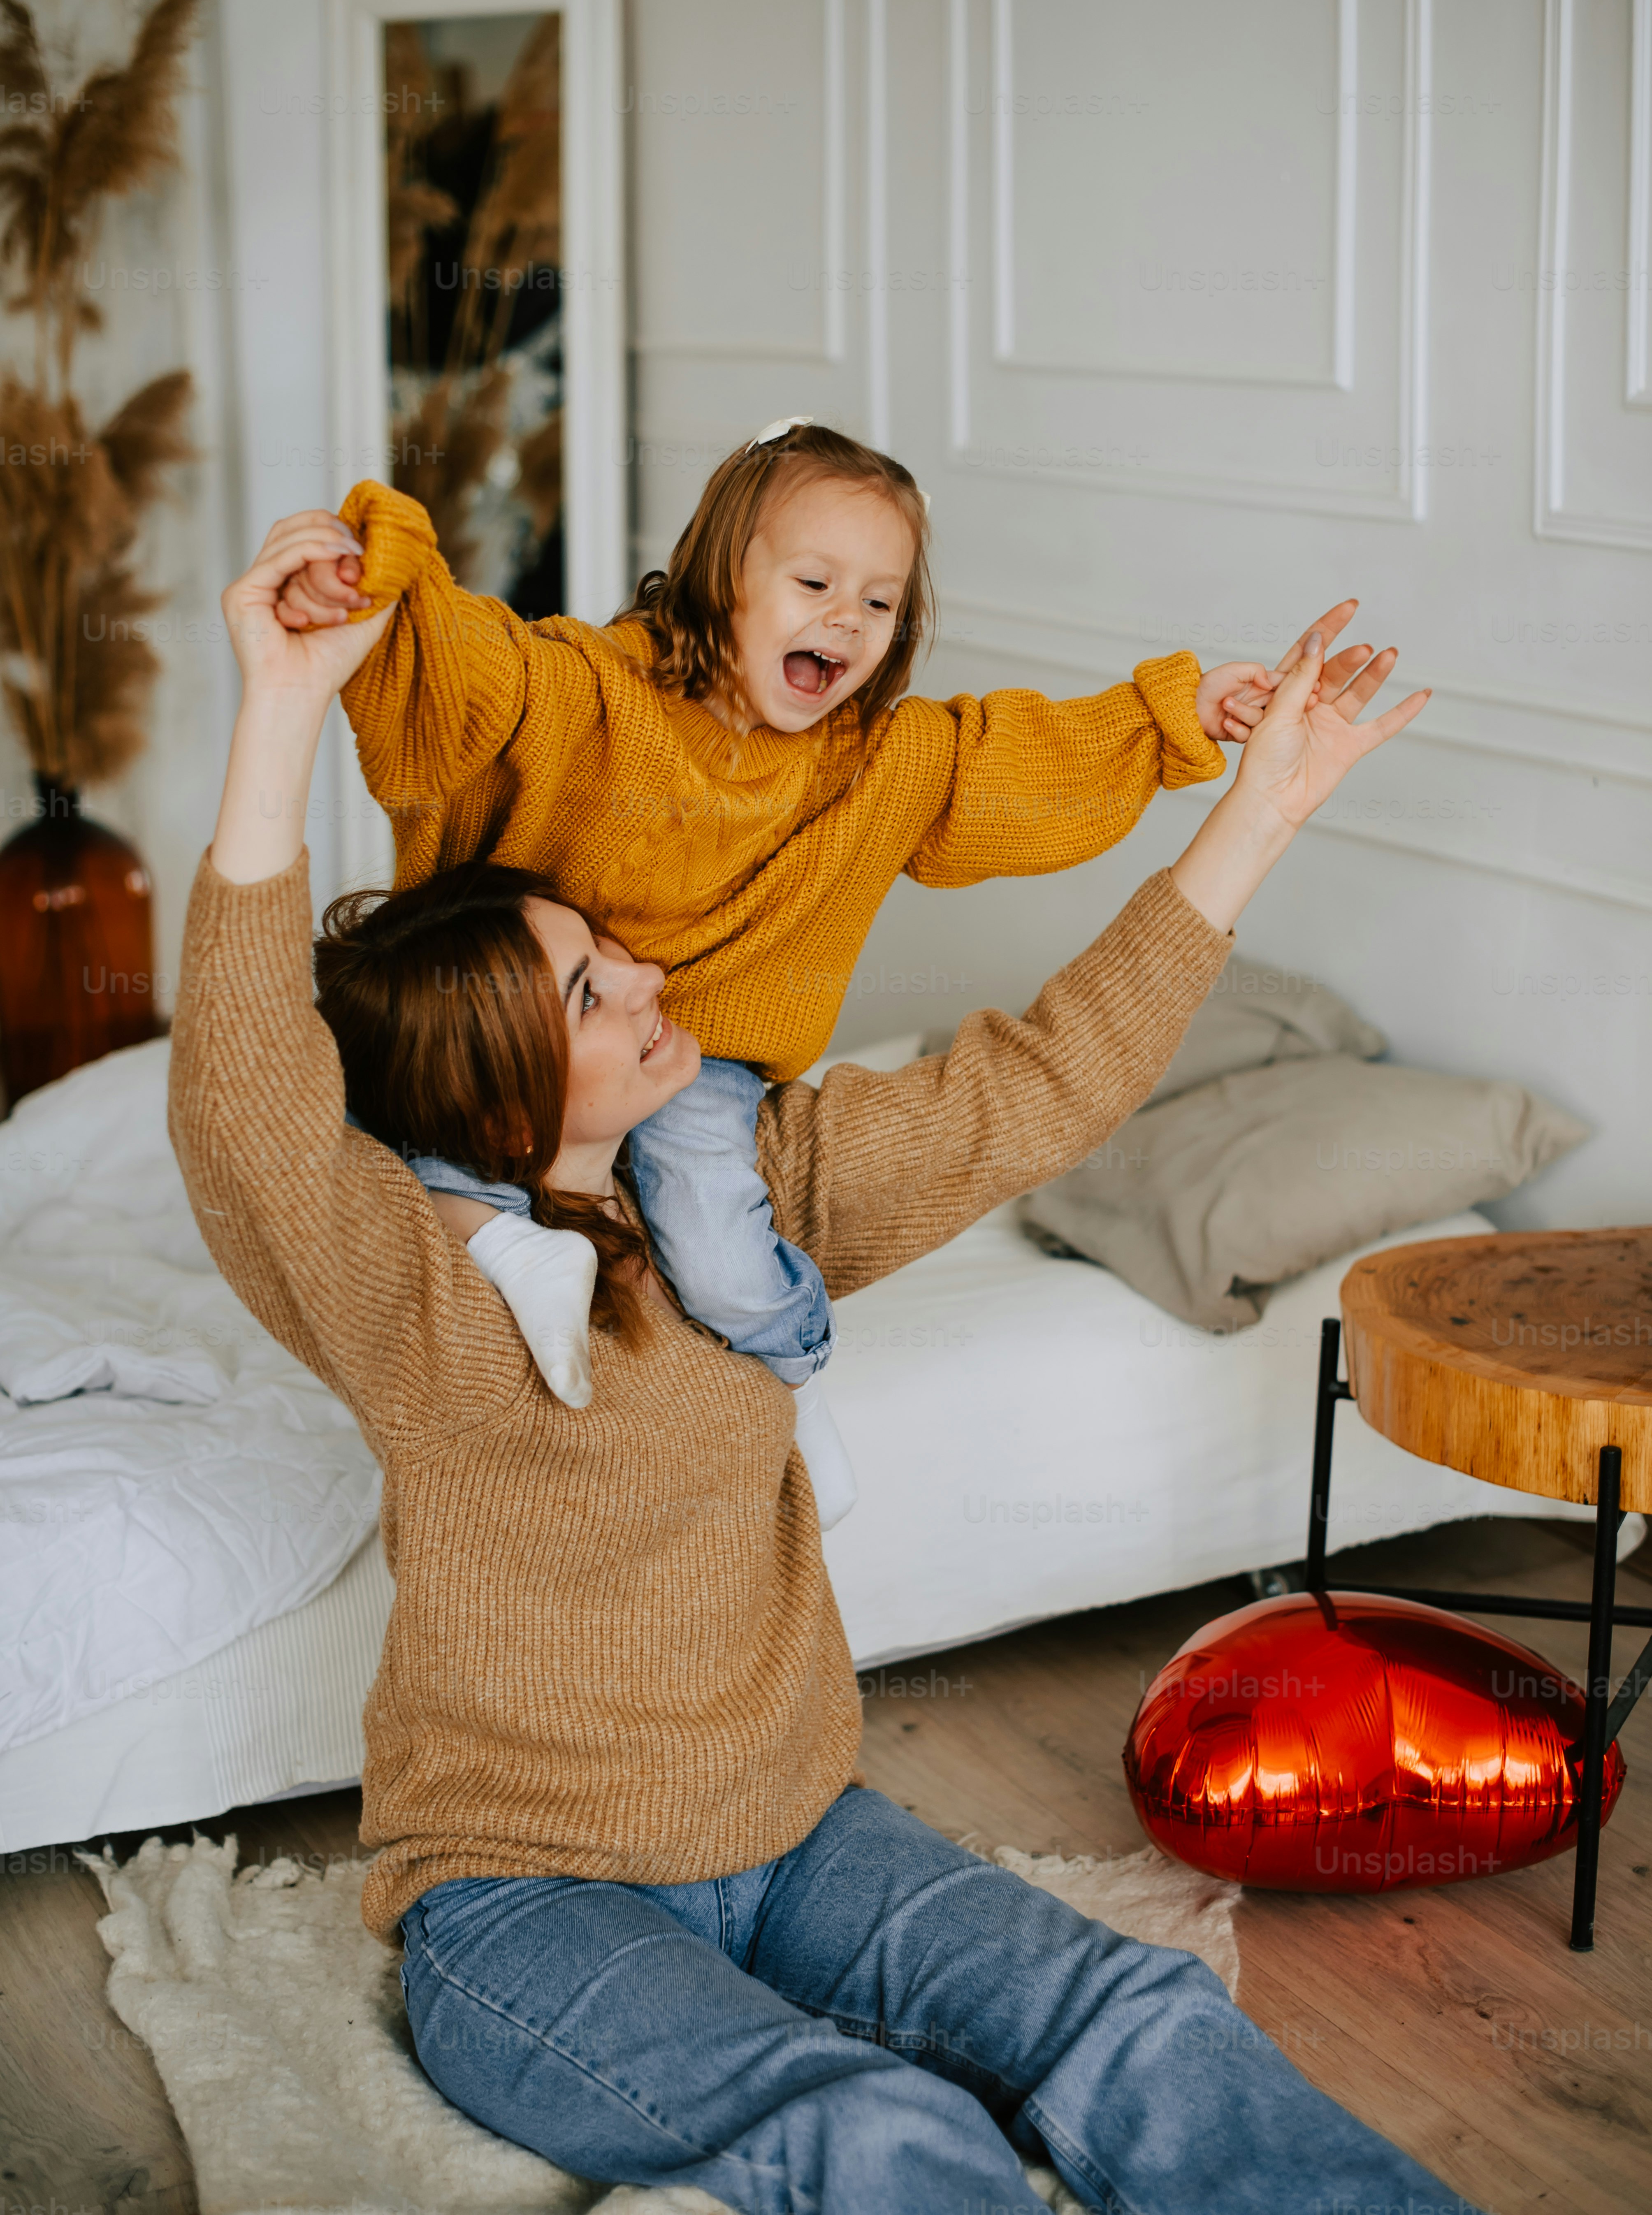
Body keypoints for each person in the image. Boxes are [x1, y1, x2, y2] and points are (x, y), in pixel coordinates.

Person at [166, 509, 1478, 2215]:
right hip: (526, 1896)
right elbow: (248, 1093)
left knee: (1135, 2012)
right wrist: (279, 705)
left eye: (611, 946)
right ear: (496, 1095)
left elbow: (1037, 1083)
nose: (645, 972)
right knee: (869, 2130)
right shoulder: (410, 1287)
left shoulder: (754, 1190)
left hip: (792, 1832)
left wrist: (1261, 807)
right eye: (586, 989)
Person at [272, 421, 1359, 1526]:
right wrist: (377, 589)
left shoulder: (883, 765)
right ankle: (508, 1243)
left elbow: (1021, 763)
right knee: (401, 1144)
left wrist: (1176, 718)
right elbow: (473, 670)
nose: (849, 617)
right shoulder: (591, 690)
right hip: (503, 1036)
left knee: (720, 1250)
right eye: (814, 580)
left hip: (699, 1073)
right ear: (720, 574)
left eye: (882, 603)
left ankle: (792, 1373)